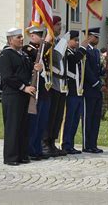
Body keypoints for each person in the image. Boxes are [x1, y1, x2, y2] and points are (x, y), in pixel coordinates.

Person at [0, 28, 41, 166]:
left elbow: (26, 71)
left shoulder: (23, 55)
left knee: (23, 125)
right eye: (18, 37)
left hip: (24, 95)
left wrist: (35, 67)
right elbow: (8, 77)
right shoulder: (6, 55)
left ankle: (22, 154)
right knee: (12, 126)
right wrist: (24, 87)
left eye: (22, 37)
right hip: (12, 94)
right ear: (10, 40)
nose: (22, 39)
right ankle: (11, 157)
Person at [23, 26, 53, 160]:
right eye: (38, 35)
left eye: (42, 35)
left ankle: (38, 148)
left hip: (44, 90)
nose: (40, 37)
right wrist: (46, 44)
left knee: (42, 122)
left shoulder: (42, 50)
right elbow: (37, 59)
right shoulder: (28, 50)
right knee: (34, 123)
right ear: (32, 36)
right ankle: (31, 149)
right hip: (35, 90)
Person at [44, 16, 68, 156]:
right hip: (51, 82)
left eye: (60, 24)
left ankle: (52, 142)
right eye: (57, 24)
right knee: (50, 114)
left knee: (58, 116)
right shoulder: (49, 42)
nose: (60, 27)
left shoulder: (59, 41)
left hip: (61, 83)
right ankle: (45, 142)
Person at [62, 30, 88, 154]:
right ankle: (65, 144)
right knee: (69, 119)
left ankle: (70, 143)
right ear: (68, 40)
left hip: (78, 90)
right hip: (71, 90)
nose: (77, 42)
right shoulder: (66, 52)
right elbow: (74, 60)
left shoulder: (75, 52)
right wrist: (83, 47)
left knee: (75, 119)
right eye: (75, 40)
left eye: (78, 40)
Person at [82, 27, 105, 153]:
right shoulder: (85, 51)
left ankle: (93, 143)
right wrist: (96, 84)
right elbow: (87, 71)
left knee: (96, 118)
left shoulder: (96, 52)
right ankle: (86, 145)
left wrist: (104, 69)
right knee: (88, 118)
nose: (97, 39)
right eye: (95, 37)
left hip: (97, 90)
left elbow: (97, 70)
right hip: (89, 89)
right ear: (89, 37)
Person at [100, 47, 108, 120]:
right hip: (101, 81)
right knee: (102, 99)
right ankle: (100, 115)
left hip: (105, 80)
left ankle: (103, 115)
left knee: (105, 99)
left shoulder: (105, 60)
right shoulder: (101, 59)